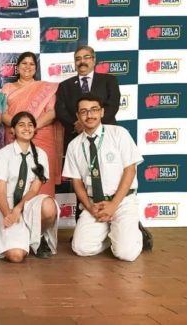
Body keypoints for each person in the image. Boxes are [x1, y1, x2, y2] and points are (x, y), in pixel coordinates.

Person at [62, 93, 145, 261]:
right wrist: (90, 207)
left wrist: (114, 205)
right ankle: (112, 234)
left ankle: (134, 234)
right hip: (95, 204)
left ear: (102, 112)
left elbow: (130, 171)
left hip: (122, 201)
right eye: (83, 111)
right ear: (78, 116)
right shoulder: (74, 146)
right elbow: (77, 182)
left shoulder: (119, 134)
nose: (89, 115)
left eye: (94, 110)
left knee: (126, 254)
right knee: (81, 248)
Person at [0, 112, 59, 263]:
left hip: (28, 203)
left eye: (30, 125)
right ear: (13, 130)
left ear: (35, 130)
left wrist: (19, 209)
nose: (26, 128)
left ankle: (39, 237)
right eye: (21, 125)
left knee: (49, 206)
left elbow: (34, 190)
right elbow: (1, 192)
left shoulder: (41, 155)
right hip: (6, 205)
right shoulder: (3, 154)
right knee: (15, 256)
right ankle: (21, 238)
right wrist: (8, 215)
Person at [2, 52, 63, 198]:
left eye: (31, 64)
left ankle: (44, 216)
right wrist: (20, 129)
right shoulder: (8, 88)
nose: (28, 67)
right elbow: (3, 114)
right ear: (17, 67)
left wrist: (31, 128)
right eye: (24, 63)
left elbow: (51, 113)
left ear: (36, 68)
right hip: (15, 138)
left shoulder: (46, 88)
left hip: (42, 136)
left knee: (42, 184)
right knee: (17, 182)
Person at [55, 45, 120, 153]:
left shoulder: (109, 80)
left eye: (86, 57)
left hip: (106, 134)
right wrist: (78, 125)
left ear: (94, 60)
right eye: (78, 59)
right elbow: (61, 111)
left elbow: (113, 105)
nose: (82, 61)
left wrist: (91, 124)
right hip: (77, 137)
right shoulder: (65, 85)